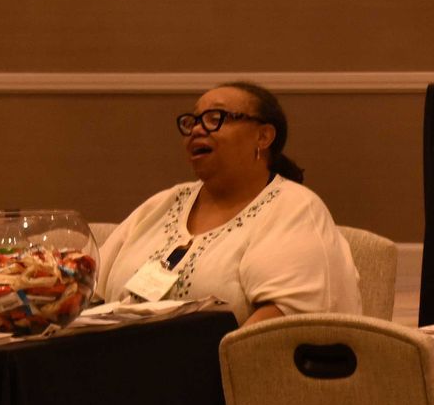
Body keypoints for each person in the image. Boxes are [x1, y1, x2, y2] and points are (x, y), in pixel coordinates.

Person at [97, 81, 361, 325]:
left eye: (216, 118)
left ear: (263, 136)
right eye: (193, 121)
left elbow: (285, 318)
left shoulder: (294, 208)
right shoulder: (163, 203)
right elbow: (90, 287)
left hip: (217, 371)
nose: (198, 129)